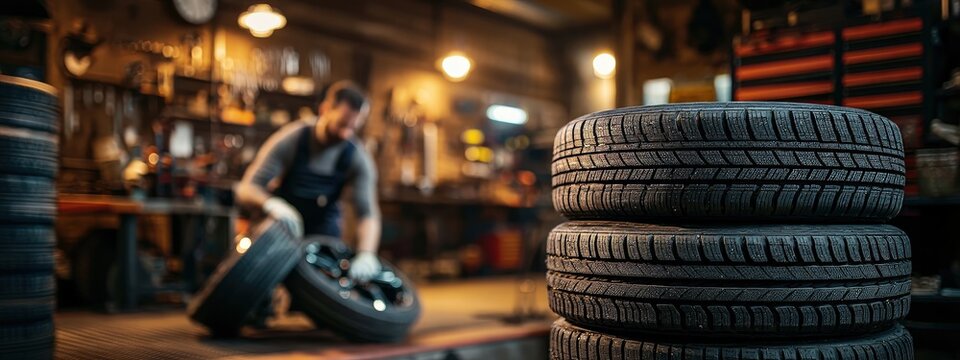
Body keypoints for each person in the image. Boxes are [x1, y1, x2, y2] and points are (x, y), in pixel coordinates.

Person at [236, 80, 381, 282]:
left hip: (323, 232)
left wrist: (367, 253)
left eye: (352, 128)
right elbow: (247, 188)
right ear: (324, 109)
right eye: (341, 125)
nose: (346, 134)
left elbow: (367, 214)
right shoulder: (292, 139)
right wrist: (271, 204)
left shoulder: (358, 157)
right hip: (283, 226)